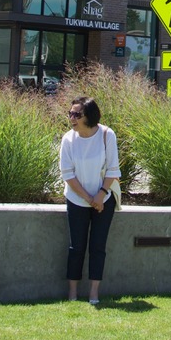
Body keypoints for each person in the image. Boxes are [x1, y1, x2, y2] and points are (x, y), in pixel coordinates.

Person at [59, 96, 121, 304]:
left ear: (90, 116)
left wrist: (101, 196)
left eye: (77, 114)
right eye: (70, 114)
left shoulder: (106, 135)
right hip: (77, 199)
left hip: (104, 198)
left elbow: (113, 169)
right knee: (76, 246)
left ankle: (94, 292)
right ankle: (73, 292)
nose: (72, 118)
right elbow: (67, 174)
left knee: (98, 245)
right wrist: (89, 199)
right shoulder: (68, 139)